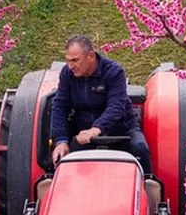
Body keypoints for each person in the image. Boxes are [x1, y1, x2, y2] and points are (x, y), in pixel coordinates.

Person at [49, 35, 152, 175]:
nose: (70, 66)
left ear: (91, 56)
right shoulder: (67, 74)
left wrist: (96, 129)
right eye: (68, 61)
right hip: (82, 133)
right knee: (59, 157)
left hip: (120, 130)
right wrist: (61, 140)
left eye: (75, 60)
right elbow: (60, 106)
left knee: (140, 148)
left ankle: (148, 184)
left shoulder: (114, 72)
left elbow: (116, 107)